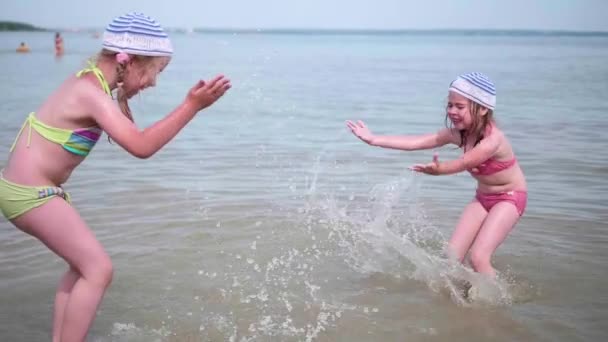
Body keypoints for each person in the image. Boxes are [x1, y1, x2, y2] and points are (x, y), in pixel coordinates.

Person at [0, 12, 230, 342]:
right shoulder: (90, 92)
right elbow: (141, 145)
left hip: (23, 189)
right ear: (129, 61)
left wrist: (127, 95)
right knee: (99, 269)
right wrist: (191, 106)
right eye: (155, 72)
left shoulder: (90, 82)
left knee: (81, 268)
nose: (153, 82)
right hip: (29, 192)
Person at [347, 72, 527, 279]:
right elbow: (417, 142)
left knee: (478, 258)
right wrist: (374, 139)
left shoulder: (493, 140)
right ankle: (463, 297)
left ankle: (496, 300)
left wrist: (438, 170)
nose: (452, 111)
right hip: (483, 198)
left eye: (460, 107)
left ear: (484, 108)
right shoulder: (459, 135)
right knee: (451, 256)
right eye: (450, 105)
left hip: (510, 198)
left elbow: (463, 163)